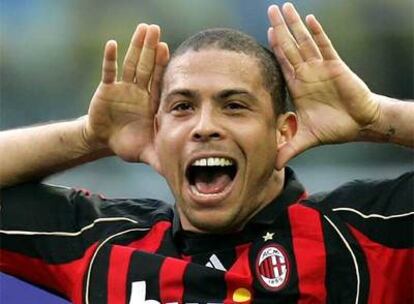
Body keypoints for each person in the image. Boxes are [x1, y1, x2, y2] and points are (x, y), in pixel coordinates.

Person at [0, 3, 413, 304]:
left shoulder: (362, 237)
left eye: (234, 105)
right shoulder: (102, 245)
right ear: (157, 134)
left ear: (282, 133)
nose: (204, 126)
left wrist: (376, 117)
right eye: (182, 107)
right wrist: (89, 136)